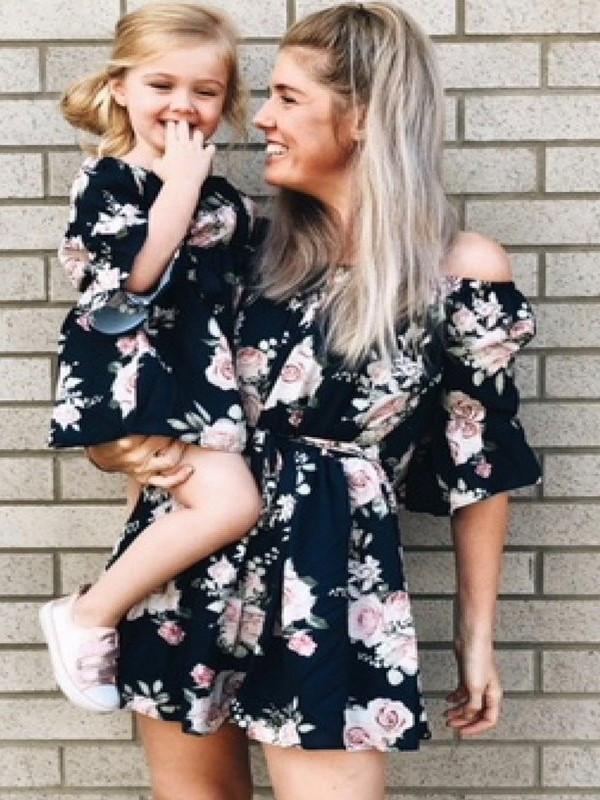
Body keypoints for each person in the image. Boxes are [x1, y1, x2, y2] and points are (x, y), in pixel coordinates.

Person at [85, 3, 542, 799]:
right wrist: (118, 457)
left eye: (288, 98)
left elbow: (479, 464)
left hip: (330, 583)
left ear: (363, 117)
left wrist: (477, 639)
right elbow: (151, 394)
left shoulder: (459, 273)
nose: (261, 118)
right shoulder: (242, 253)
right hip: (187, 575)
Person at [39, 3, 263, 715]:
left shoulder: (217, 190)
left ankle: (128, 628)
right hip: (142, 372)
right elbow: (133, 277)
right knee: (231, 503)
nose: (182, 105)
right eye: (161, 85)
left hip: (202, 373)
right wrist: (182, 184)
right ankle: (88, 615)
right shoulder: (109, 179)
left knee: (160, 511)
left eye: (206, 91)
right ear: (121, 87)